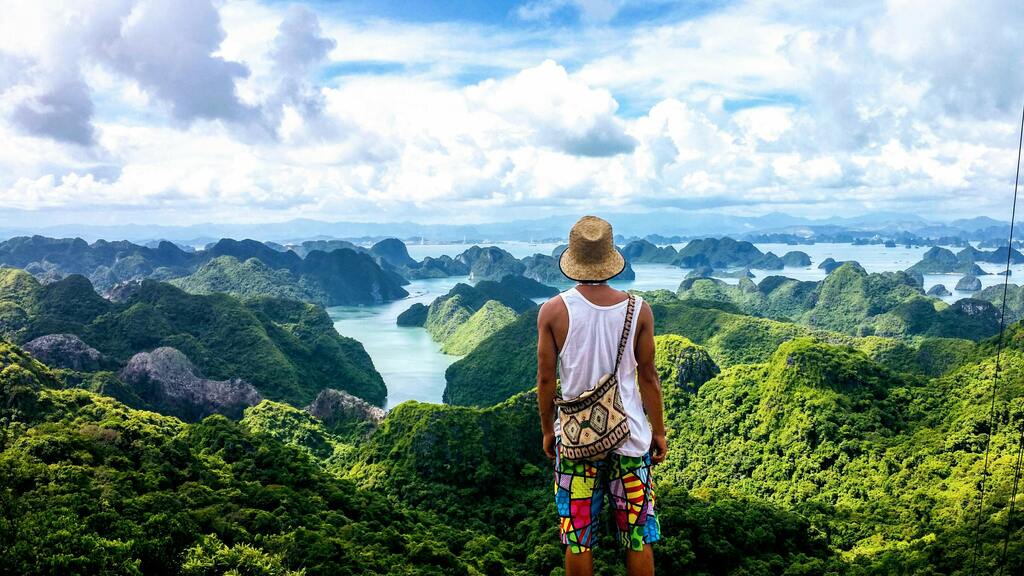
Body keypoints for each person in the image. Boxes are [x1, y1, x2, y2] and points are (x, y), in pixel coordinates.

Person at [537, 215, 668, 576]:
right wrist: (658, 431)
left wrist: (549, 430)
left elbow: (546, 381)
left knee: (578, 537)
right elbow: (649, 377)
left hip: (577, 440)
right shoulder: (638, 309)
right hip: (631, 437)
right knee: (637, 535)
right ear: (610, 259)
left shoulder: (552, 311)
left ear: (574, 260)